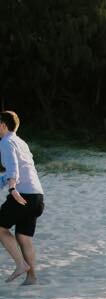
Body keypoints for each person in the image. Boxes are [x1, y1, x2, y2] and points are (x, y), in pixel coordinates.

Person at [0, 111, 44, 285]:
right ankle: (31, 277)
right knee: (23, 237)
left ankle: (20, 265)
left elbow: (13, 168)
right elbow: (25, 169)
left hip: (21, 194)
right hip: (37, 196)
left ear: (3, 125)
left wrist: (12, 189)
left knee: (0, 229)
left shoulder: (6, 142)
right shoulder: (21, 142)